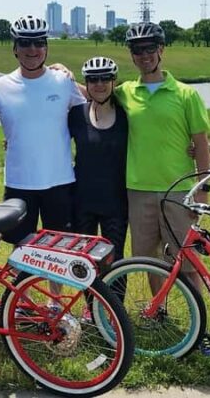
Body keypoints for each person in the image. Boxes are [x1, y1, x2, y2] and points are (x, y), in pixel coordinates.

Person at [113, 22, 210, 355]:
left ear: (161, 50)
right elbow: (92, 91)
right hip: (138, 189)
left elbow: (200, 143)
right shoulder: (125, 92)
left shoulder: (186, 94)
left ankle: (200, 328)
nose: (143, 56)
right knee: (147, 258)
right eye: (137, 50)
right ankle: (158, 313)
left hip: (178, 190)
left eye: (149, 49)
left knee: (186, 261)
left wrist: (203, 189)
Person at [0, 15, 86, 247]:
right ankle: (22, 285)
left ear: (46, 47)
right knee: (21, 250)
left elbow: (97, 100)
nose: (32, 49)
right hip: (19, 182)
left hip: (59, 180)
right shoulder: (1, 86)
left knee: (60, 250)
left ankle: (54, 287)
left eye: (39, 43)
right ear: (15, 48)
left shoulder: (62, 80)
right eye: (25, 43)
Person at [68, 57, 128, 267]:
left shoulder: (126, 116)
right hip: (82, 200)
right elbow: (51, 139)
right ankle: (90, 302)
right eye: (93, 80)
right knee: (84, 261)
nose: (99, 84)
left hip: (116, 202)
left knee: (115, 261)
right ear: (87, 83)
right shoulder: (76, 114)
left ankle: (114, 302)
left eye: (105, 79)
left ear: (114, 82)